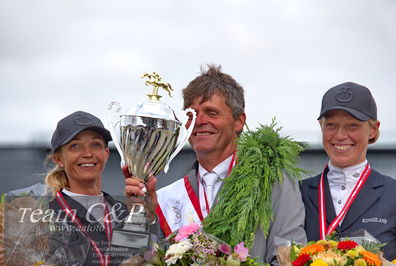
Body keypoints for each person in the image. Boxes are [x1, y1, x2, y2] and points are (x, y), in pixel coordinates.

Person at [125, 65, 307, 264]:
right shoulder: (168, 196)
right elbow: (143, 258)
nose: (200, 121)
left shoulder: (274, 182)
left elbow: (289, 260)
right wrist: (145, 218)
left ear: (239, 121)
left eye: (212, 113)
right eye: (192, 114)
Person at [300, 82, 396, 260]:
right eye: (330, 125)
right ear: (321, 126)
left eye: (352, 126)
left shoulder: (395, 194)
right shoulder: (297, 193)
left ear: (373, 129)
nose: (339, 135)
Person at [45, 111, 129, 266]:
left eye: (95, 144)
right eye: (75, 146)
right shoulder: (44, 215)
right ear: (59, 159)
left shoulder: (123, 213)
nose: (87, 154)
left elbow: (144, 256)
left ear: (106, 153)